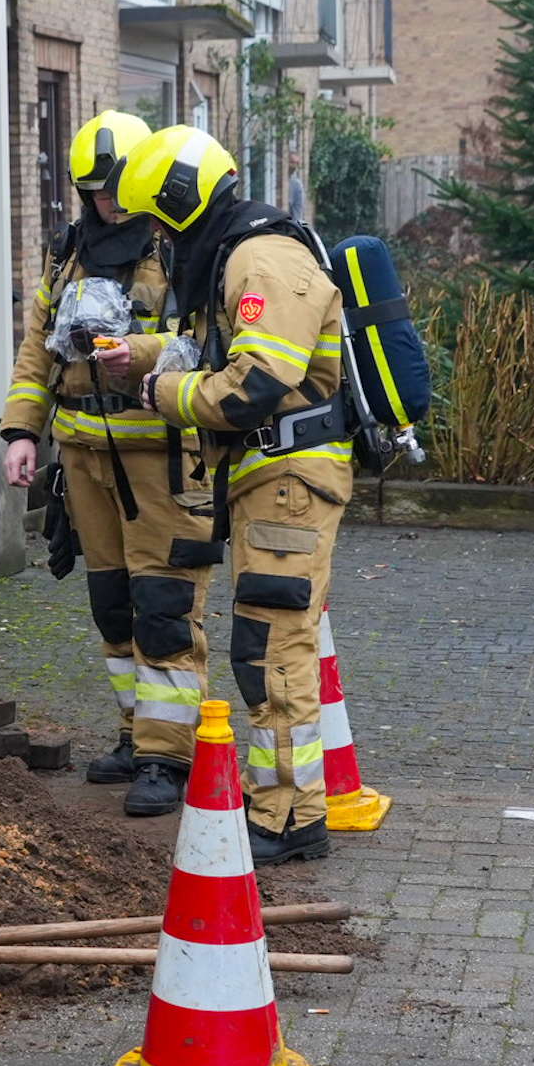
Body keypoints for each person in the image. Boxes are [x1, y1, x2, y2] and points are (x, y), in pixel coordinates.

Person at [108, 124, 347, 865]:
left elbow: (251, 387)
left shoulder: (262, 257)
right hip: (270, 483)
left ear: (180, 203)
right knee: (268, 645)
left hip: (289, 484)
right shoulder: (234, 255)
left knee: (271, 649)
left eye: (158, 219)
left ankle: (285, 816)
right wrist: (141, 357)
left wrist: (165, 394)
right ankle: (285, 804)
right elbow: (205, 346)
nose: (157, 237)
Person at [0, 110, 218, 818]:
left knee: (163, 608)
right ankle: (133, 735)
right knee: (112, 605)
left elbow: (206, 343)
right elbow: (38, 350)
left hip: (158, 456)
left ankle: (167, 757)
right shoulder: (68, 254)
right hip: (86, 460)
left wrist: (138, 356)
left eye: (118, 192)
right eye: (95, 194)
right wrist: (22, 432)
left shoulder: (182, 250)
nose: (108, 207)